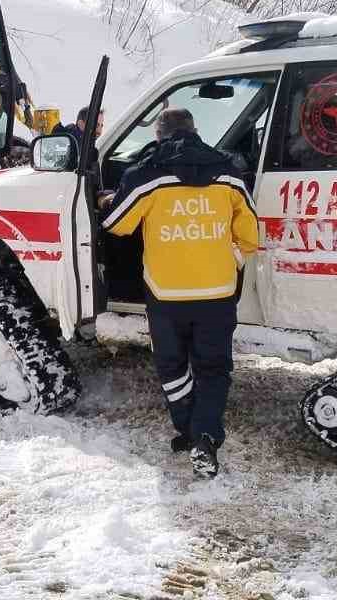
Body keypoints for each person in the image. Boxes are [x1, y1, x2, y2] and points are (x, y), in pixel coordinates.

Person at [99, 108, 258, 478]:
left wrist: (108, 199)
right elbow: (250, 234)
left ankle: (188, 429)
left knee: (172, 365)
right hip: (218, 291)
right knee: (213, 367)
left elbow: (117, 225)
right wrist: (231, 258)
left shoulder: (145, 175)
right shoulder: (229, 170)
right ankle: (204, 435)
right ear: (195, 130)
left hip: (166, 293)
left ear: (159, 136)